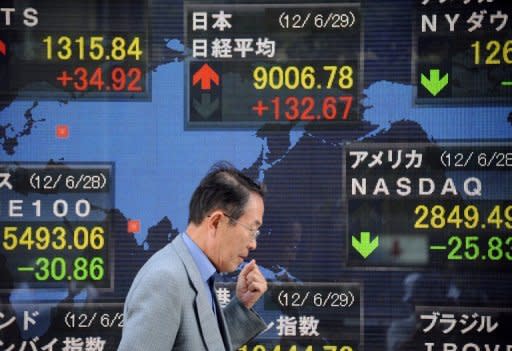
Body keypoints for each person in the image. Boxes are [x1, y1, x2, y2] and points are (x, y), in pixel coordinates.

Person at [118, 162, 268, 351]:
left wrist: (241, 306)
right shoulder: (165, 280)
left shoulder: (196, 272)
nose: (253, 243)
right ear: (216, 222)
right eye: (252, 230)